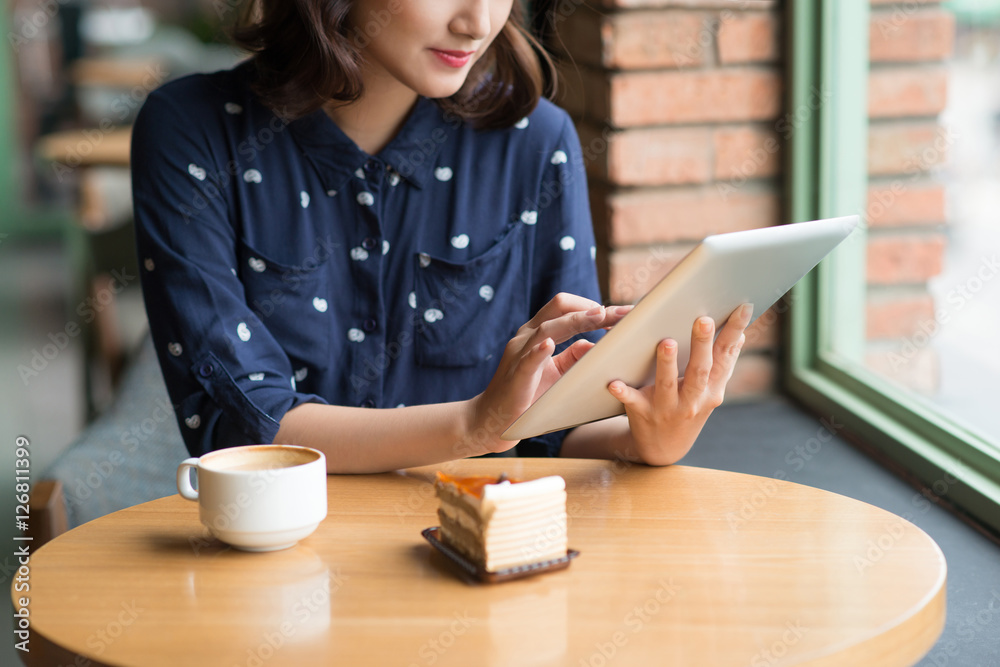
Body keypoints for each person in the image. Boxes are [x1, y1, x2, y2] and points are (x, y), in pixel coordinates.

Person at [131, 0, 752, 474]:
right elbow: (243, 427)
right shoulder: (193, 133)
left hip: (490, 571)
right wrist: (471, 428)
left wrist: (649, 436)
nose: (477, 22)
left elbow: (559, 423)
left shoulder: (536, 142)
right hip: (283, 573)